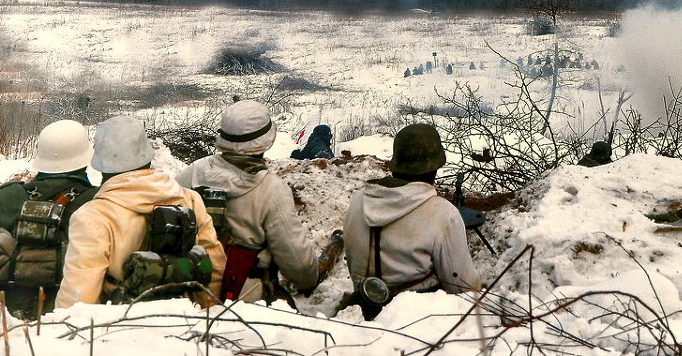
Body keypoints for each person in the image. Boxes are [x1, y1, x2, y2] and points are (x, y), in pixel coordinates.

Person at [56, 115, 226, 308]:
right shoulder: (190, 200)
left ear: (100, 161)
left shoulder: (92, 216)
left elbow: (79, 298)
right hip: (184, 321)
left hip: (118, 329)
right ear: (146, 154)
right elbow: (214, 270)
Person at [176, 100, 319, 301]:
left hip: (187, 292)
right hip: (243, 298)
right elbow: (298, 264)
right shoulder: (272, 189)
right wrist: (310, 280)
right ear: (266, 142)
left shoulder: (188, 175)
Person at [343, 123, 480, 319]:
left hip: (362, 308)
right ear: (435, 167)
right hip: (416, 321)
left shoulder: (358, 202)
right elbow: (463, 289)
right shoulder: (443, 214)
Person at [0, 120, 98, 316]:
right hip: (68, 317)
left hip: (3, 316)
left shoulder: (6, 196)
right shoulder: (95, 202)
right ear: (85, 158)